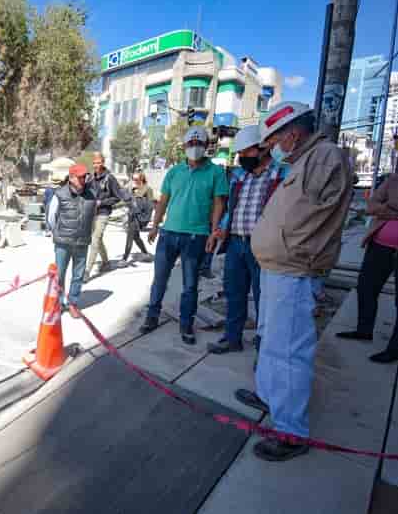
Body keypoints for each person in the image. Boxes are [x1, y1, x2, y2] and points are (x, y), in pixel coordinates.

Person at [234, 101, 352, 462]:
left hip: (294, 270)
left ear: (293, 134)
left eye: (273, 142)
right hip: (278, 268)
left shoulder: (325, 158)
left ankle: (290, 431)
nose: (271, 149)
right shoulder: (303, 161)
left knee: (288, 352)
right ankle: (270, 397)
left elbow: (317, 217)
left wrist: (287, 247)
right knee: (271, 342)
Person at [141, 126, 229, 345]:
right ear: (184, 146)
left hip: (196, 236)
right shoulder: (174, 172)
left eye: (199, 144)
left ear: (207, 146)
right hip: (168, 233)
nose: (195, 148)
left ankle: (186, 324)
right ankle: (152, 316)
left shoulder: (216, 172)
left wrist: (214, 232)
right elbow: (163, 200)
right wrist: (154, 225)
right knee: (159, 279)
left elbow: (219, 203)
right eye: (191, 144)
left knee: (190, 285)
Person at [207, 125, 289, 355]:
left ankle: (265, 346)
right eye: (240, 153)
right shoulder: (239, 177)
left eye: (247, 152)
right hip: (235, 244)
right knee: (234, 293)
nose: (242, 157)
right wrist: (221, 229)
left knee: (265, 297)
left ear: (263, 149)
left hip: (263, 247)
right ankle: (232, 338)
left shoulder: (282, 174)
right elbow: (231, 209)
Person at [337, 173, 398, 363]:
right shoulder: (393, 180)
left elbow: (379, 208)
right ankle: (364, 330)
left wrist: (387, 208)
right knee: (366, 287)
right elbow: (371, 206)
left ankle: (394, 349)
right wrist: (392, 210)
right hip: (379, 245)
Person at [46, 164, 97, 319]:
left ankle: (73, 304)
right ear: (71, 177)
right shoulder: (59, 194)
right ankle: (59, 304)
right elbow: (51, 218)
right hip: (63, 243)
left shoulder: (91, 195)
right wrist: (57, 234)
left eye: (84, 176)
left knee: (78, 275)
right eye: (80, 177)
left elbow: (93, 217)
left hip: (82, 242)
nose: (83, 179)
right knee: (59, 274)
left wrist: (88, 233)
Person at [86, 152, 123, 279]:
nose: (96, 165)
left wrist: (102, 202)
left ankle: (87, 271)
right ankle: (106, 262)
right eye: (94, 163)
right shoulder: (90, 178)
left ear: (103, 163)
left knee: (95, 239)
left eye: (98, 162)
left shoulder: (109, 178)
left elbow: (118, 197)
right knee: (97, 239)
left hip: (103, 213)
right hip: (92, 213)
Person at [121, 172, 153, 265]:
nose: (134, 181)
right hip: (132, 216)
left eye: (136, 179)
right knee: (135, 237)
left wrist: (146, 219)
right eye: (133, 179)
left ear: (141, 179)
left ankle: (124, 259)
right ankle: (146, 254)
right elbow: (126, 201)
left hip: (140, 217)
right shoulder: (132, 189)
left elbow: (150, 206)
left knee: (130, 237)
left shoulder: (147, 189)